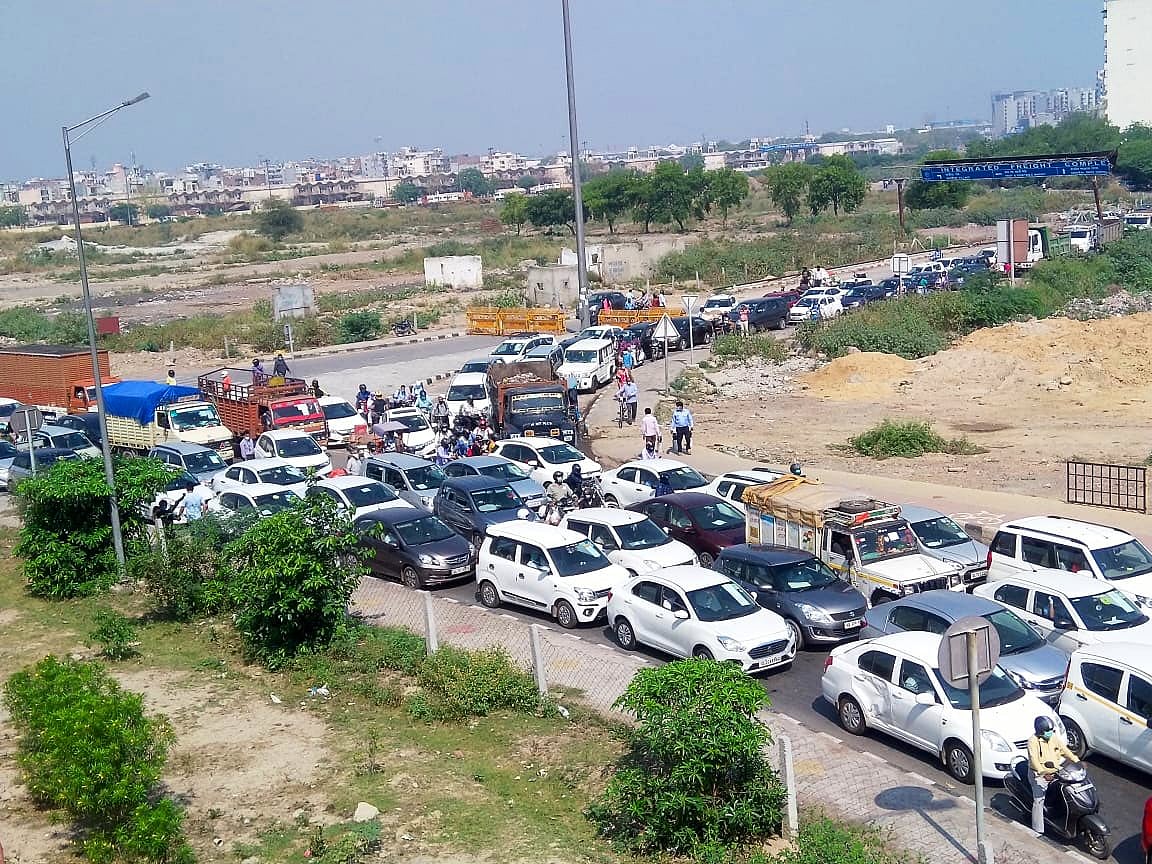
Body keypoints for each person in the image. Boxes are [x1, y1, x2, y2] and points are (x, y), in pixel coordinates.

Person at [1028, 716, 1079, 835]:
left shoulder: (1053, 737)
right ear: (1040, 731)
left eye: (1051, 730)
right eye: (1047, 731)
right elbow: (1034, 760)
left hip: (1056, 771)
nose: (1050, 733)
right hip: (1039, 775)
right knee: (1039, 801)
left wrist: (1076, 760)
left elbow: (1064, 750)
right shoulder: (1032, 741)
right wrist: (1043, 773)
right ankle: (1037, 830)